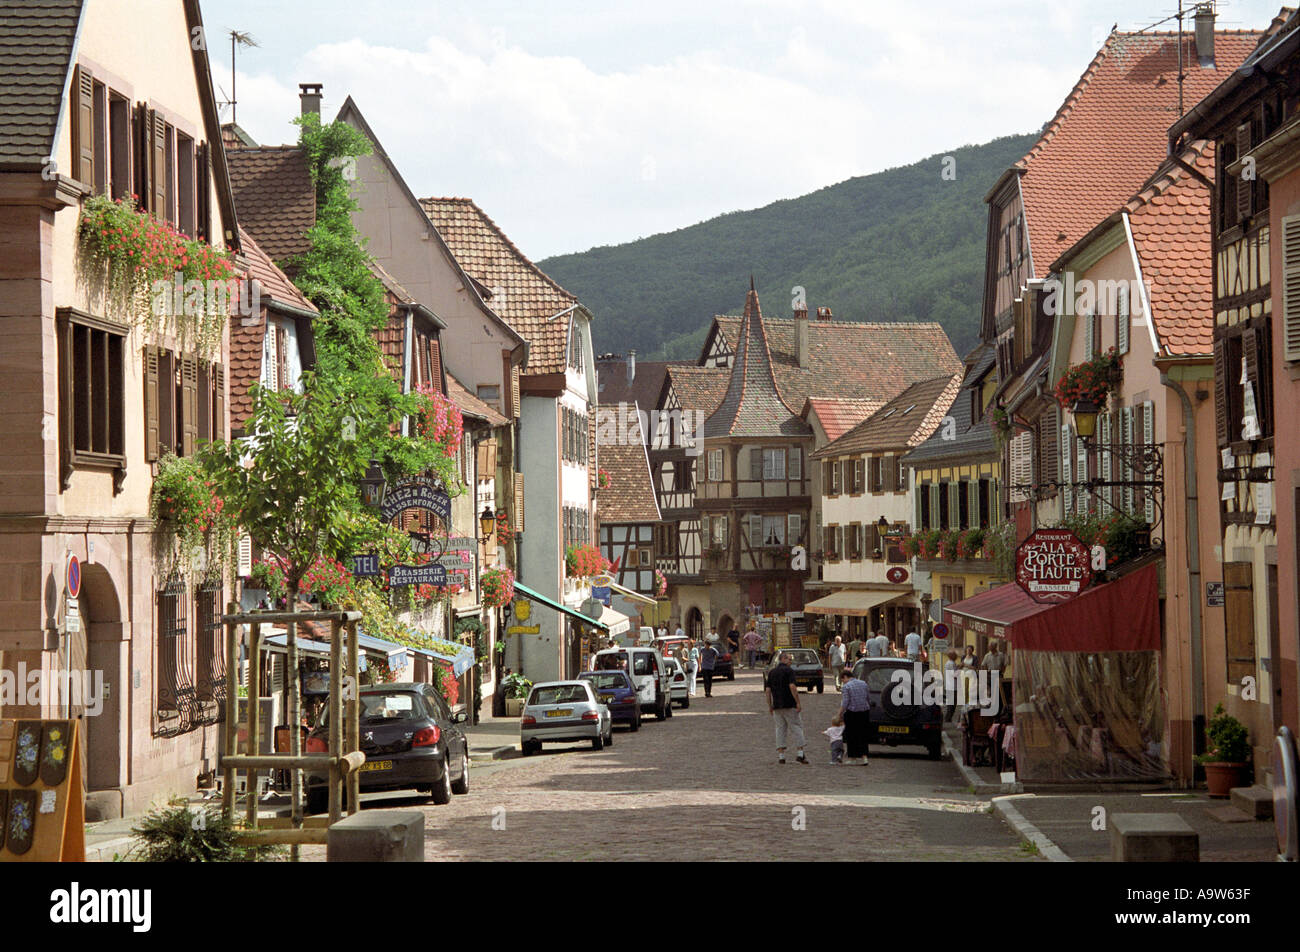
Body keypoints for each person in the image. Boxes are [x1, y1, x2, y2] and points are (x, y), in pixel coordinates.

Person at [765, 651, 808, 764]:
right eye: (789, 660)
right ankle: (800, 753)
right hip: (789, 704)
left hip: (777, 706)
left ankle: (781, 756)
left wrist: (770, 705)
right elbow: (792, 686)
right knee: (796, 727)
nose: (791, 662)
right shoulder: (789, 671)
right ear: (783, 659)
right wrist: (798, 702)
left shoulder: (772, 672)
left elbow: (768, 691)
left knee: (780, 729)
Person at [839, 668, 871, 765]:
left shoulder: (846, 687)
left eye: (842, 680)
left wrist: (839, 714)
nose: (843, 682)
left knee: (851, 735)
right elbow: (868, 697)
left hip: (852, 712)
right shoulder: (863, 683)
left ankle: (853, 758)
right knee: (863, 734)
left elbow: (845, 702)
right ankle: (865, 757)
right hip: (864, 712)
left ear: (845, 677)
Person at [943, 650, 960, 721]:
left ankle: (948, 718)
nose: (956, 656)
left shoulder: (950, 663)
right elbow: (954, 675)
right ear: (951, 656)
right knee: (952, 703)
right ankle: (948, 718)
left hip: (950, 685)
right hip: (952, 686)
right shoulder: (951, 663)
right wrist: (960, 669)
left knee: (951, 703)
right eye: (955, 655)